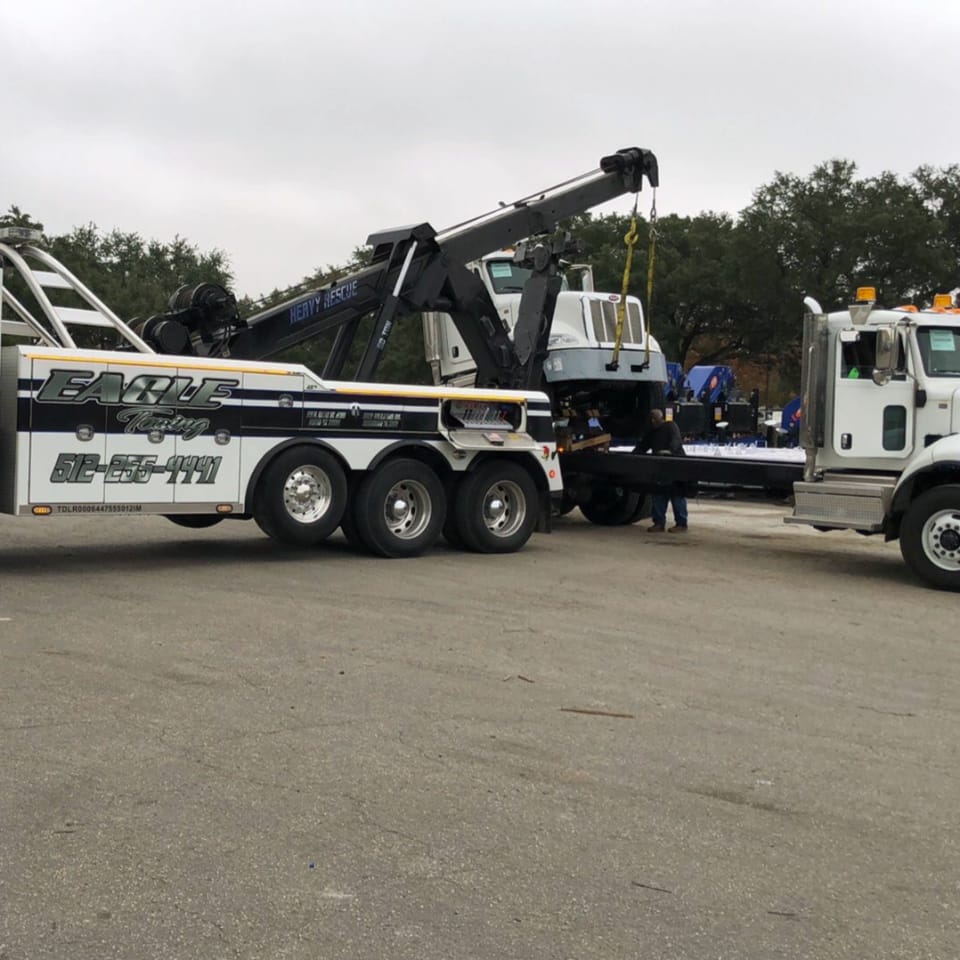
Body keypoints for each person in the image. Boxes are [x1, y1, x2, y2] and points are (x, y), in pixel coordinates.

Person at [634, 409, 688, 532]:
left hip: (675, 466)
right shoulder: (652, 432)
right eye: (651, 419)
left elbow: (676, 440)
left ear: (661, 418)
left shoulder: (671, 426)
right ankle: (659, 523)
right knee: (658, 495)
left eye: (655, 419)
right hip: (660, 468)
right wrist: (632, 457)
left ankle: (681, 524)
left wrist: (670, 451)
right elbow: (642, 446)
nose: (653, 421)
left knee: (677, 495)